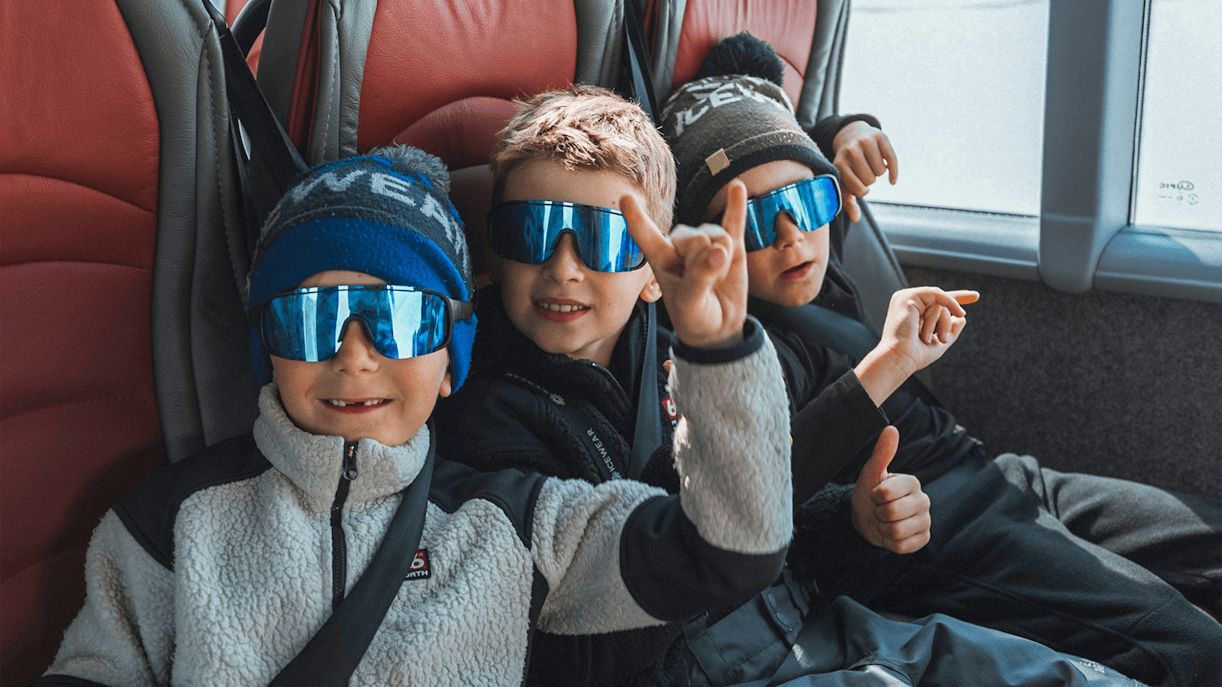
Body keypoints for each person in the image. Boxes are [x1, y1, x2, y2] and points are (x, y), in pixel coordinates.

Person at [435, 84, 1150, 687]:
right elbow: (617, 605)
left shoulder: (668, 346)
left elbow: (772, 538)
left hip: (809, 620)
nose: (563, 269)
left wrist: (852, 524)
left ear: (654, 268)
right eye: (531, 232)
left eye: (601, 239)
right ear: (492, 251)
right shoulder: (485, 415)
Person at [37, 145, 799, 686]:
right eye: (313, 320)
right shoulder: (167, 520)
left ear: (449, 359)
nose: (356, 354)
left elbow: (731, 550)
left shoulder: (515, 523)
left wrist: (716, 351)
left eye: (396, 320)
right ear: (265, 345)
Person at [660, 32, 1222, 687]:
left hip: (997, 471)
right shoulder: (733, 354)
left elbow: (788, 155)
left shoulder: (814, 249)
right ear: (709, 247)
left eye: (808, 200)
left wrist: (846, 130)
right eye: (756, 222)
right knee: (1193, 648)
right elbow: (755, 491)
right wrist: (890, 364)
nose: (792, 235)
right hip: (934, 529)